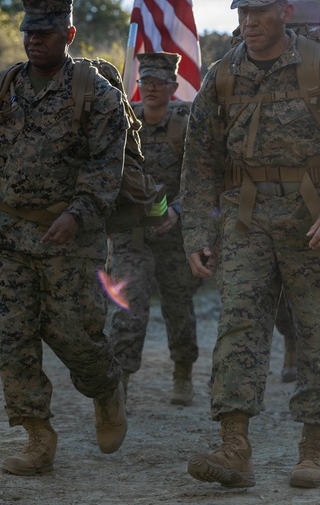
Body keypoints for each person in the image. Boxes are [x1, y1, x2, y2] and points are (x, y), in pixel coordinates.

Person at [180, 0, 320, 489]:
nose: (249, 22)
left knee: (315, 330)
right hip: (246, 221)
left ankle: (313, 448)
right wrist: (196, 230)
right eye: (242, 12)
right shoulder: (223, 75)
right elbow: (198, 161)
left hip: (312, 221)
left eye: (260, 12)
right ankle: (234, 448)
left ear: (285, 13)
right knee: (239, 324)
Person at [0, 0, 129, 475]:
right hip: (7, 236)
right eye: (29, 31)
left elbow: (105, 168)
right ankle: (37, 435)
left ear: (68, 35)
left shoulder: (97, 95)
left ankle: (105, 387)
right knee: (12, 336)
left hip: (70, 239)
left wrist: (77, 212)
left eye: (46, 33)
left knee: (75, 335)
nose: (34, 40)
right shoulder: (2, 90)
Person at [109, 52, 200, 406]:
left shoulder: (184, 123)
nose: (151, 89)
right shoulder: (123, 122)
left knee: (179, 308)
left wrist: (177, 211)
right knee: (129, 307)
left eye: (159, 83)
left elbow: (200, 176)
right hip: (132, 234)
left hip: (174, 235)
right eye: (145, 82)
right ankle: (121, 382)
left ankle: (183, 373)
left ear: (173, 87)